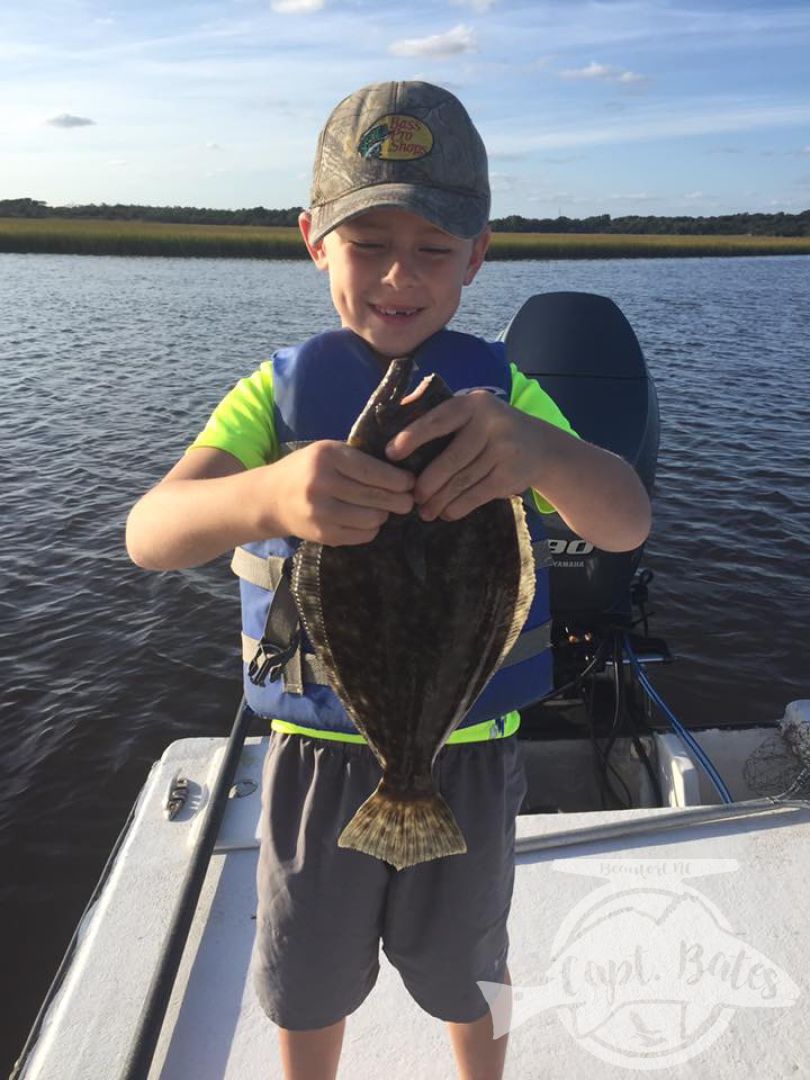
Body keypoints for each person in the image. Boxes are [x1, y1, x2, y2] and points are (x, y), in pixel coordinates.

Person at [126, 81, 651, 1080]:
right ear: (313, 240)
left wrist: (539, 449)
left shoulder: (510, 395)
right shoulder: (270, 401)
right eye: (367, 245)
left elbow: (625, 521)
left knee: (467, 965)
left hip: (470, 753)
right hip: (315, 760)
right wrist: (268, 494)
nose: (399, 277)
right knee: (307, 975)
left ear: (479, 256)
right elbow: (150, 536)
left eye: (434, 250)